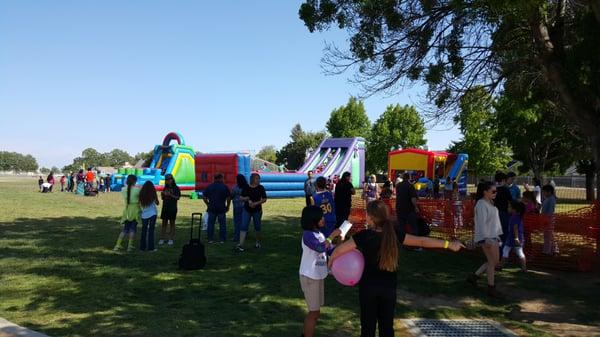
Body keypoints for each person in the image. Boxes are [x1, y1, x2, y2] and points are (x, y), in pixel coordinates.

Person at [330, 200, 463, 337]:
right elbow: (422, 241)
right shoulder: (394, 233)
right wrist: (448, 244)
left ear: (371, 217)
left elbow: (338, 251)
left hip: (368, 288)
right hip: (389, 289)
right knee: (387, 327)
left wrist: (329, 266)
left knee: (368, 328)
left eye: (366, 214)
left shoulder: (363, 236)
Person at [299, 206, 342, 337]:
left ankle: (306, 333)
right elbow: (320, 247)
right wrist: (332, 235)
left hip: (318, 276)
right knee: (313, 312)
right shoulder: (308, 235)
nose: (324, 219)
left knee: (316, 312)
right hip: (310, 277)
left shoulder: (320, 234)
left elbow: (329, 250)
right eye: (321, 217)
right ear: (313, 220)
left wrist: (341, 243)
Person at [467, 181, 503, 298]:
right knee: (492, 263)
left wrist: (497, 235)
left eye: (496, 191)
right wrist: (485, 238)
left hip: (494, 236)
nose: (495, 193)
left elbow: (494, 222)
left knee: (493, 262)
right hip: (487, 237)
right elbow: (481, 223)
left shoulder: (491, 202)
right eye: (493, 191)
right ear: (485, 192)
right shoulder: (481, 204)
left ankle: (474, 277)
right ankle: (491, 288)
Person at [236, 173, 267, 252]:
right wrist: (246, 199)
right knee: (243, 226)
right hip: (247, 209)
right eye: (257, 178)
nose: (258, 180)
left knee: (257, 226)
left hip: (257, 210)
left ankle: (257, 242)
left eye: (259, 178)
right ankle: (241, 244)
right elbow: (241, 197)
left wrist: (255, 203)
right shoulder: (246, 187)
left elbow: (264, 199)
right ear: (252, 179)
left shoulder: (261, 188)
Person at [113, 175, 141, 252]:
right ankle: (130, 246)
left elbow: (127, 189)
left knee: (125, 229)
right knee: (132, 229)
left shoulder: (123, 189)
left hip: (127, 210)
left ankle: (117, 245)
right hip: (135, 211)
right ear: (135, 181)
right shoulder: (137, 190)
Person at [203, 173, 232, 244]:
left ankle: (210, 239)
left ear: (214, 178)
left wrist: (208, 204)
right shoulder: (225, 187)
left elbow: (204, 197)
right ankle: (222, 239)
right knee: (222, 224)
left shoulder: (209, 186)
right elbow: (228, 198)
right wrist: (227, 206)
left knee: (211, 224)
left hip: (212, 207)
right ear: (221, 178)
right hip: (221, 208)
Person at [500, 201, 527, 272]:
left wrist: (516, 238)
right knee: (518, 252)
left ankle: (500, 266)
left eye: (509, 207)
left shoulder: (514, 217)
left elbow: (515, 228)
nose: (507, 208)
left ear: (514, 210)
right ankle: (524, 268)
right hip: (513, 237)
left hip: (514, 238)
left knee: (507, 251)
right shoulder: (516, 216)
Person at [159, 174, 181, 246]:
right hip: (165, 207)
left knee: (172, 224)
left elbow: (178, 197)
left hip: (172, 208)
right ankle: (162, 238)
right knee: (164, 224)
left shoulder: (176, 188)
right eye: (166, 179)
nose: (168, 181)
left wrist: (170, 195)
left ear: (172, 179)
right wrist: (163, 194)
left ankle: (171, 239)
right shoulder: (165, 187)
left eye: (169, 179)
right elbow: (163, 198)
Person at [395, 173, 419, 238]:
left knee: (401, 228)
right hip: (409, 210)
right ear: (409, 178)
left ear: (403, 178)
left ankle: (402, 243)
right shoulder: (410, 186)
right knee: (413, 227)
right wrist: (416, 207)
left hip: (399, 208)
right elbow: (413, 198)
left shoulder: (398, 186)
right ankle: (415, 244)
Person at [139, 181, 159, 252]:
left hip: (144, 215)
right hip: (153, 213)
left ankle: (142, 248)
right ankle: (151, 248)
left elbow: (140, 204)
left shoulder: (141, 194)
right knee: (151, 231)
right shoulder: (153, 193)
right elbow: (157, 203)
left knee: (143, 231)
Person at [494, 172, 512, 250]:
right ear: (503, 180)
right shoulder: (505, 190)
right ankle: (502, 253)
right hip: (503, 214)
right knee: (504, 234)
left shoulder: (492, 189)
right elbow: (510, 201)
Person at [231, 174, 249, 242]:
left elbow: (231, 195)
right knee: (244, 221)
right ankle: (245, 235)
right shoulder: (247, 187)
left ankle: (237, 237)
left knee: (237, 222)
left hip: (237, 206)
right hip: (245, 206)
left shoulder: (235, 187)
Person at [541, 184, 558, 255]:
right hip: (546, 219)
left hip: (548, 219)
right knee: (549, 235)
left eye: (544, 192)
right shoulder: (548, 198)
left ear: (549, 192)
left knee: (548, 236)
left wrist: (546, 220)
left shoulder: (551, 199)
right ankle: (554, 250)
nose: (543, 193)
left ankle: (547, 251)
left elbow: (550, 211)